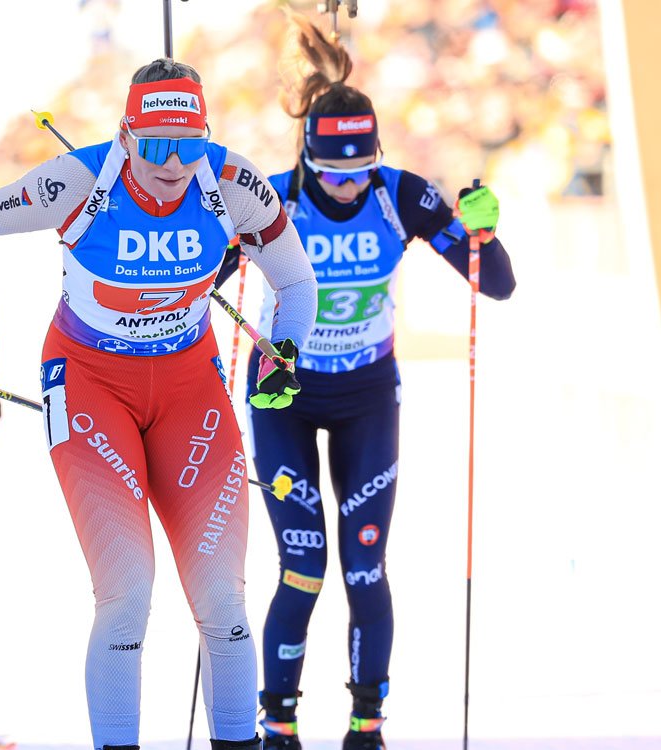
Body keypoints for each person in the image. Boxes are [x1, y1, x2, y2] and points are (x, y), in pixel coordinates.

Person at [0, 60, 319, 750]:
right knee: (127, 594)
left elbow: (296, 282)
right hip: (89, 384)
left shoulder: (233, 182)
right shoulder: (78, 180)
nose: (174, 163)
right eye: (155, 146)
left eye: (189, 143)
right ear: (125, 134)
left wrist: (286, 353)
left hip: (189, 387)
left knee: (223, 601)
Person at [220, 17, 516, 750]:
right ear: (309, 159)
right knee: (303, 567)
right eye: (334, 173)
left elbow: (498, 284)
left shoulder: (402, 197)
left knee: (364, 563)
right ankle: (277, 723)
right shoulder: (275, 199)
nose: (349, 185)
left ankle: (366, 724)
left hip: (365, 397)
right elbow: (199, 286)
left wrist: (481, 232)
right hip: (284, 397)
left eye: (360, 170)